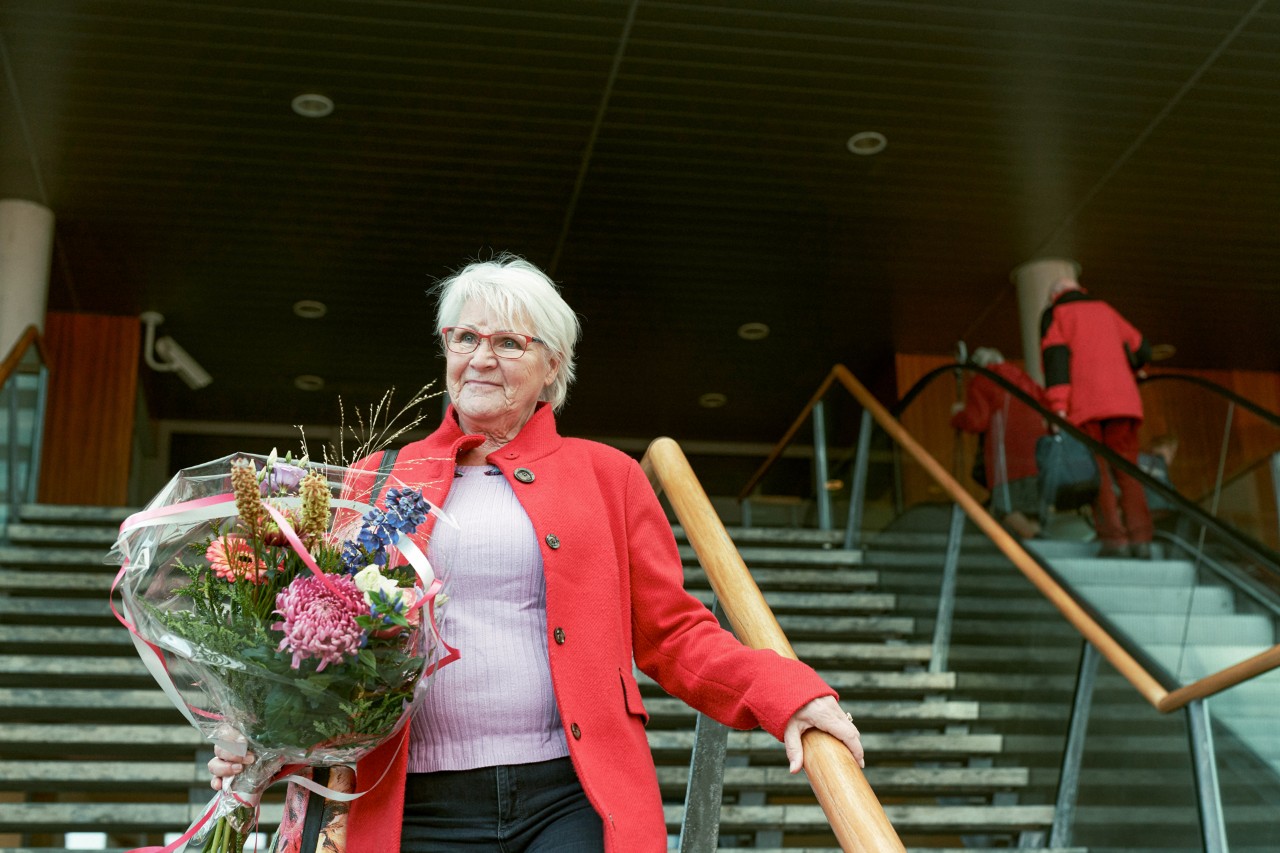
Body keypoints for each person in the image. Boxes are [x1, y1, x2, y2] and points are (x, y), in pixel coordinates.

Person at [208, 254, 864, 852]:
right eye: (465, 337)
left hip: (567, 798)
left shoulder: (609, 477)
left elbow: (672, 632)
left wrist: (787, 696)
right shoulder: (375, 480)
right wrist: (260, 737)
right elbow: (319, 646)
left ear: (553, 365)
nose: (481, 357)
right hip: (411, 805)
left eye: (508, 342)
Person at [1040, 275, 1154, 559]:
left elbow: (1056, 362)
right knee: (1129, 473)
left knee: (1098, 475)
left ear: (1054, 295)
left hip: (1085, 407)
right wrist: (1135, 367)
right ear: (1079, 289)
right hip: (1123, 405)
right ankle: (1142, 540)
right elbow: (1142, 348)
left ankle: (1114, 540)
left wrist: (1058, 409)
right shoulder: (1106, 309)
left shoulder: (1057, 314)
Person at [950, 347, 1048, 539]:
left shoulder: (983, 379)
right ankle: (1039, 547)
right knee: (1030, 510)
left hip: (1007, 458)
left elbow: (977, 420)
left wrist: (957, 415)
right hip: (1036, 456)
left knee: (1004, 508)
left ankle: (1034, 543)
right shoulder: (1023, 379)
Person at [1138, 433, 1180, 516]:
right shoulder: (1146, 462)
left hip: (1161, 513)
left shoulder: (1162, 471)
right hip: (1154, 513)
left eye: (1173, 452)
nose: (1172, 455)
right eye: (1169, 448)